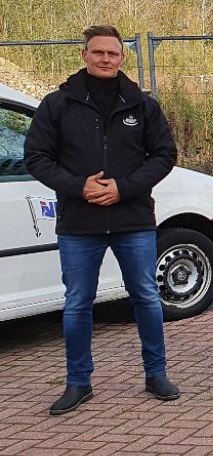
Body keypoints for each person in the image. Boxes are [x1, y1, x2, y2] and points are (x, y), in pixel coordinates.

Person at [24, 25, 179, 415]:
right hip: (79, 222)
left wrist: (123, 188)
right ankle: (78, 382)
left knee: (146, 297)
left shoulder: (142, 105)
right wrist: (80, 186)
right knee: (78, 303)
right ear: (85, 55)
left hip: (133, 219)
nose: (105, 59)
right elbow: (37, 158)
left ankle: (156, 374)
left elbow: (164, 155)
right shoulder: (57, 104)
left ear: (122, 57)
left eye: (112, 53)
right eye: (98, 52)